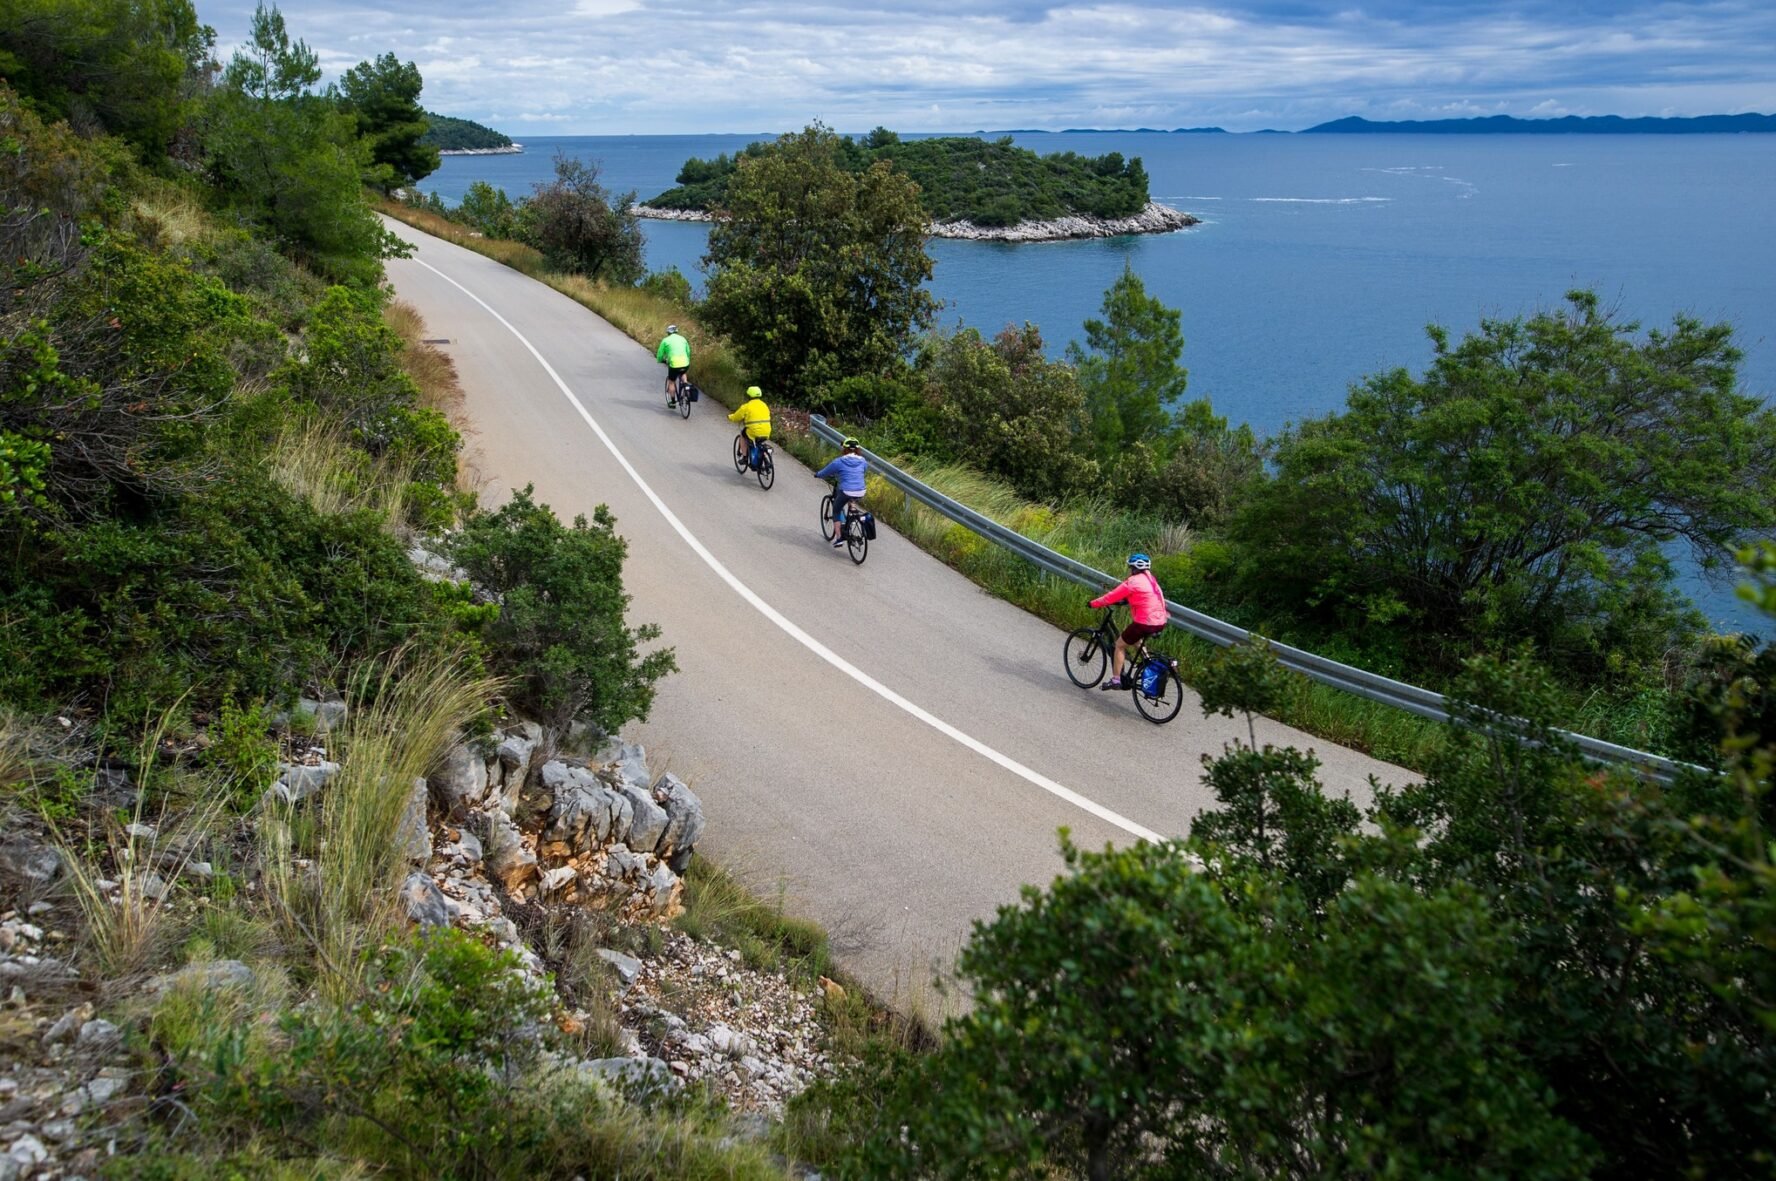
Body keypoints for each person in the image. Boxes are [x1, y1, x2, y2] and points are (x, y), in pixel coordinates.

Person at [1089, 554, 1166, 690]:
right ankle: (1148, 663)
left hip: (1145, 622)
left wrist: (1093, 604)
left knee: (1119, 645)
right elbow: (1145, 596)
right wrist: (1127, 600)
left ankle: (1116, 680)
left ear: (1134, 569)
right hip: (1160, 622)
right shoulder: (1152, 580)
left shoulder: (1132, 582)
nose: (1130, 570)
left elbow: (1110, 597)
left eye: (1131, 568)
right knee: (1135, 639)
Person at [816, 437, 868, 549]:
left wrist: (818, 474)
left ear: (844, 449)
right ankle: (852, 516)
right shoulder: (863, 460)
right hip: (861, 490)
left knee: (836, 509)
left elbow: (825, 472)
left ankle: (839, 538)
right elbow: (864, 470)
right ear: (858, 449)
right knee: (851, 498)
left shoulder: (839, 462)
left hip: (846, 490)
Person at [728, 385, 772, 468]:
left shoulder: (746, 406)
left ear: (749, 396)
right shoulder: (764, 405)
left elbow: (736, 417)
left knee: (743, 435)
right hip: (767, 430)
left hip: (753, 431)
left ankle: (745, 457)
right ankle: (765, 459)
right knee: (759, 443)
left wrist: (730, 417)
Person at [655, 324, 691, 407]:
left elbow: (660, 354)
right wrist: (687, 359)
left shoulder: (665, 340)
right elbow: (688, 351)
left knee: (671, 382)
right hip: (685, 362)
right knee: (683, 373)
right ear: (676, 331)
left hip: (674, 364)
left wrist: (660, 360)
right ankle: (686, 386)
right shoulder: (683, 338)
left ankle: (673, 402)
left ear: (668, 332)